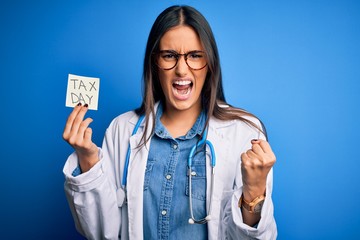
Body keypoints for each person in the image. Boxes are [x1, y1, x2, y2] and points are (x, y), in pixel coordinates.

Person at [62, 5, 277, 240]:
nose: (181, 69)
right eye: (169, 56)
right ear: (154, 62)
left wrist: (254, 194)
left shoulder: (244, 133)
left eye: (195, 56)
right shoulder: (122, 130)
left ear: (210, 63)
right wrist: (88, 160)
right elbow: (102, 233)